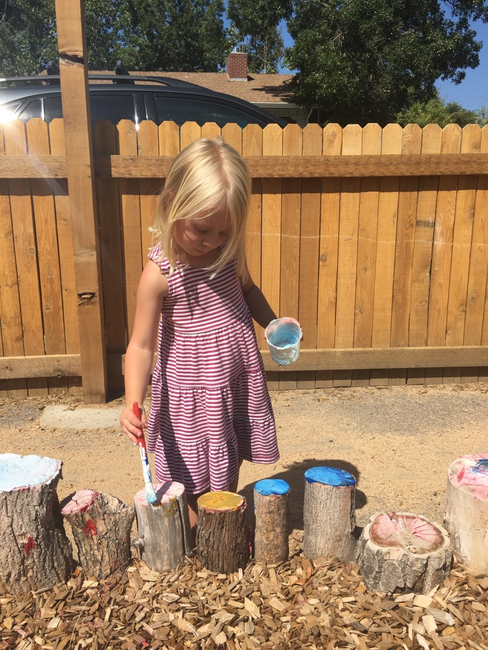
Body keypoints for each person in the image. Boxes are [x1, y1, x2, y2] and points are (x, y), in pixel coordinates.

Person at [120, 137, 280, 534]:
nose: (213, 241)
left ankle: (221, 531)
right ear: (172, 203)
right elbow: (140, 344)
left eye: (225, 231)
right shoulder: (160, 274)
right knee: (188, 478)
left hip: (233, 380)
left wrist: (273, 324)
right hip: (190, 392)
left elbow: (248, 289)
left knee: (227, 456)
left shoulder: (228, 253)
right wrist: (132, 402)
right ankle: (193, 541)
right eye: (202, 229)